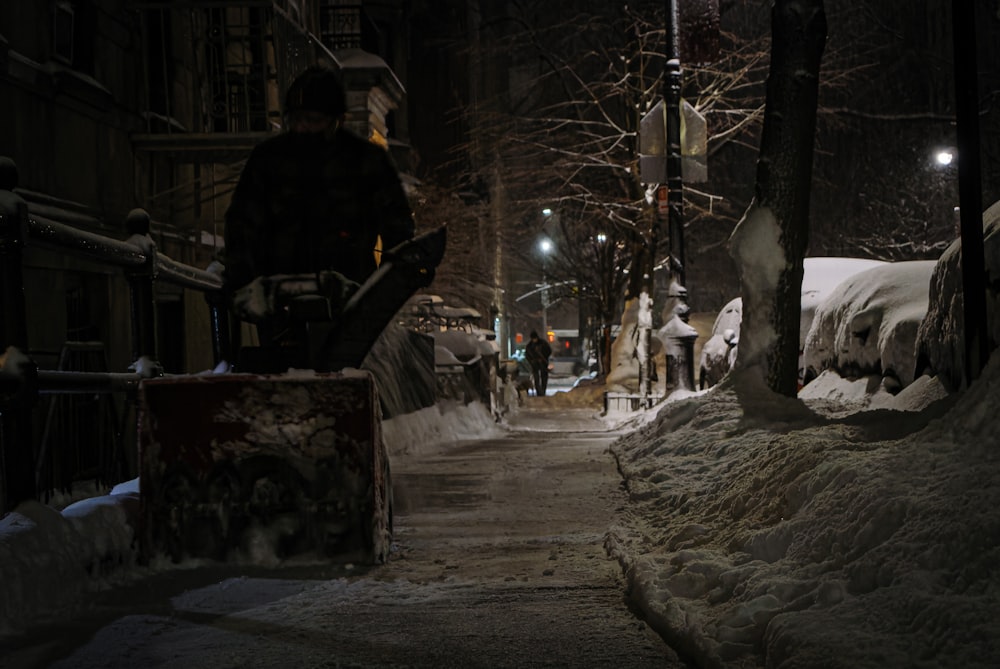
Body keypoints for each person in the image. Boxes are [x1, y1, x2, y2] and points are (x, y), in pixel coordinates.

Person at [223, 65, 415, 342]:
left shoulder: (366, 162)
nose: (302, 128)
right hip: (280, 303)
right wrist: (244, 284)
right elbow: (241, 224)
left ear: (335, 121)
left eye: (312, 120)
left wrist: (381, 293)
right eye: (296, 119)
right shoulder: (268, 161)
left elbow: (398, 230)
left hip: (349, 301)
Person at [525, 330, 552, 397]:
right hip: (535, 364)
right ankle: (539, 392)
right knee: (536, 378)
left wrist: (544, 357)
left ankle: (543, 390)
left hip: (543, 363)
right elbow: (527, 355)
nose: (534, 340)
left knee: (544, 377)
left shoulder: (543, 343)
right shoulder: (530, 346)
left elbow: (549, 351)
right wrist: (532, 361)